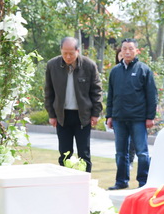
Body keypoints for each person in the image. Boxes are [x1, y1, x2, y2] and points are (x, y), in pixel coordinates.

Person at [44, 37, 103, 172]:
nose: (68, 56)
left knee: (84, 153)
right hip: (62, 115)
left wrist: (95, 113)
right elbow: (49, 91)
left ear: (78, 51)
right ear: (61, 51)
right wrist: (51, 114)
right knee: (65, 153)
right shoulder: (52, 65)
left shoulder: (89, 65)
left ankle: (86, 184)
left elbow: (96, 91)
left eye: (71, 53)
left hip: (83, 115)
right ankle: (65, 182)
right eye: (65, 53)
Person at [106, 38, 157, 190]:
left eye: (130, 49)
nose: (127, 51)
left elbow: (152, 96)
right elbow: (111, 96)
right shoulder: (115, 71)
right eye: (124, 49)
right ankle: (121, 181)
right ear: (120, 51)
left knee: (142, 152)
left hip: (139, 119)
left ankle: (143, 182)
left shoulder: (144, 69)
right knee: (121, 152)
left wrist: (150, 117)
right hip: (119, 118)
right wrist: (110, 116)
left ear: (136, 51)